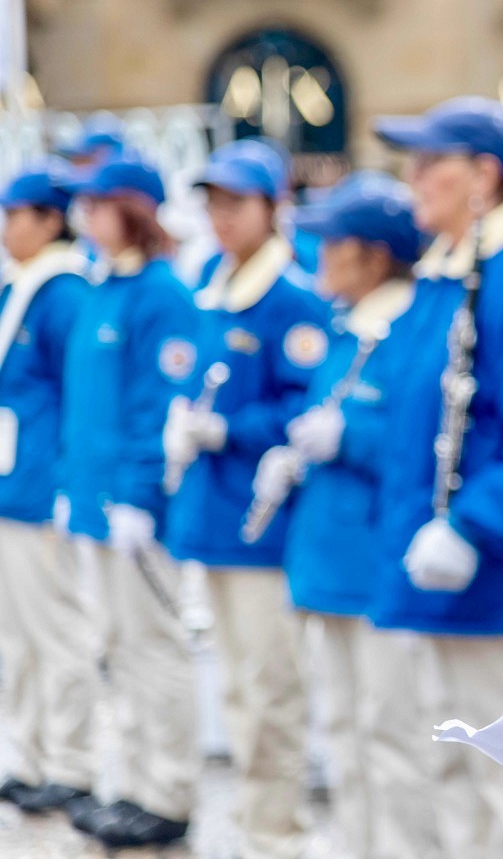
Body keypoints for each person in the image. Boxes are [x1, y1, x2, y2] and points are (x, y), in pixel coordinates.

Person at [367, 98, 503, 859]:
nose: (411, 179)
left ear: (484, 174)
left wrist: (472, 522)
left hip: (480, 577)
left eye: (428, 163)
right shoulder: (442, 277)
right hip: (426, 569)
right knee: (445, 769)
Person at [161, 139, 330, 859]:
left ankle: (277, 832)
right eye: (213, 202)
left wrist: (227, 427)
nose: (220, 216)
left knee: (270, 691)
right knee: (235, 687)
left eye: (236, 202)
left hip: (263, 525)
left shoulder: (292, 295)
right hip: (211, 513)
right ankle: (258, 827)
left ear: (273, 207)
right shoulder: (211, 279)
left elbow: (306, 404)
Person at [253, 171, 426, 859]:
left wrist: (348, 439)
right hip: (325, 560)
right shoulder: (343, 326)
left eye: (333, 241)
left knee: (393, 736)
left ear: (374, 254)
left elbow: (417, 444)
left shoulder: (407, 325)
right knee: (342, 731)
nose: (317, 251)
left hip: (373, 566)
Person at [59, 156, 200, 848]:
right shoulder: (102, 286)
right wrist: (74, 489)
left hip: (135, 509)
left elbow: (158, 406)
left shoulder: (159, 292)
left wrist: (141, 491)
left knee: (153, 647)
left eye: (97, 203)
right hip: (95, 502)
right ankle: (137, 781)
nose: (85, 216)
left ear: (134, 209)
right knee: (116, 644)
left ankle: (168, 790)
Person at [0, 162, 94, 817]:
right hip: (11, 484)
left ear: (49, 220)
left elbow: (79, 399)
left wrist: (65, 483)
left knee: (58, 631)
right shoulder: (21, 288)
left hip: (41, 489)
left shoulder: (63, 292)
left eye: (15, 214)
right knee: (15, 637)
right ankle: (26, 753)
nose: (6, 228)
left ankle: (69, 759)